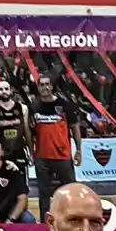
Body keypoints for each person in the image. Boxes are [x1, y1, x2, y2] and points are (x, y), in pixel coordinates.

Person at [28, 73, 81, 204]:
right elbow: (30, 132)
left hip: (63, 157)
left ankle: (72, 215)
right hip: (42, 158)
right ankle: (44, 217)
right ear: (38, 87)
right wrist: (31, 153)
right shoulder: (33, 107)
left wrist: (78, 150)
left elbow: (75, 127)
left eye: (47, 84)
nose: (45, 87)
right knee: (44, 195)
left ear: (52, 86)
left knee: (71, 192)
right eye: (41, 85)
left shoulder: (64, 105)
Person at [0, 80, 31, 166]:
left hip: (19, 150)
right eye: (1, 89)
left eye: (6, 89)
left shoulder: (22, 108)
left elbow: (27, 131)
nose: (4, 91)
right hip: (1, 153)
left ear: (11, 90)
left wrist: (31, 153)